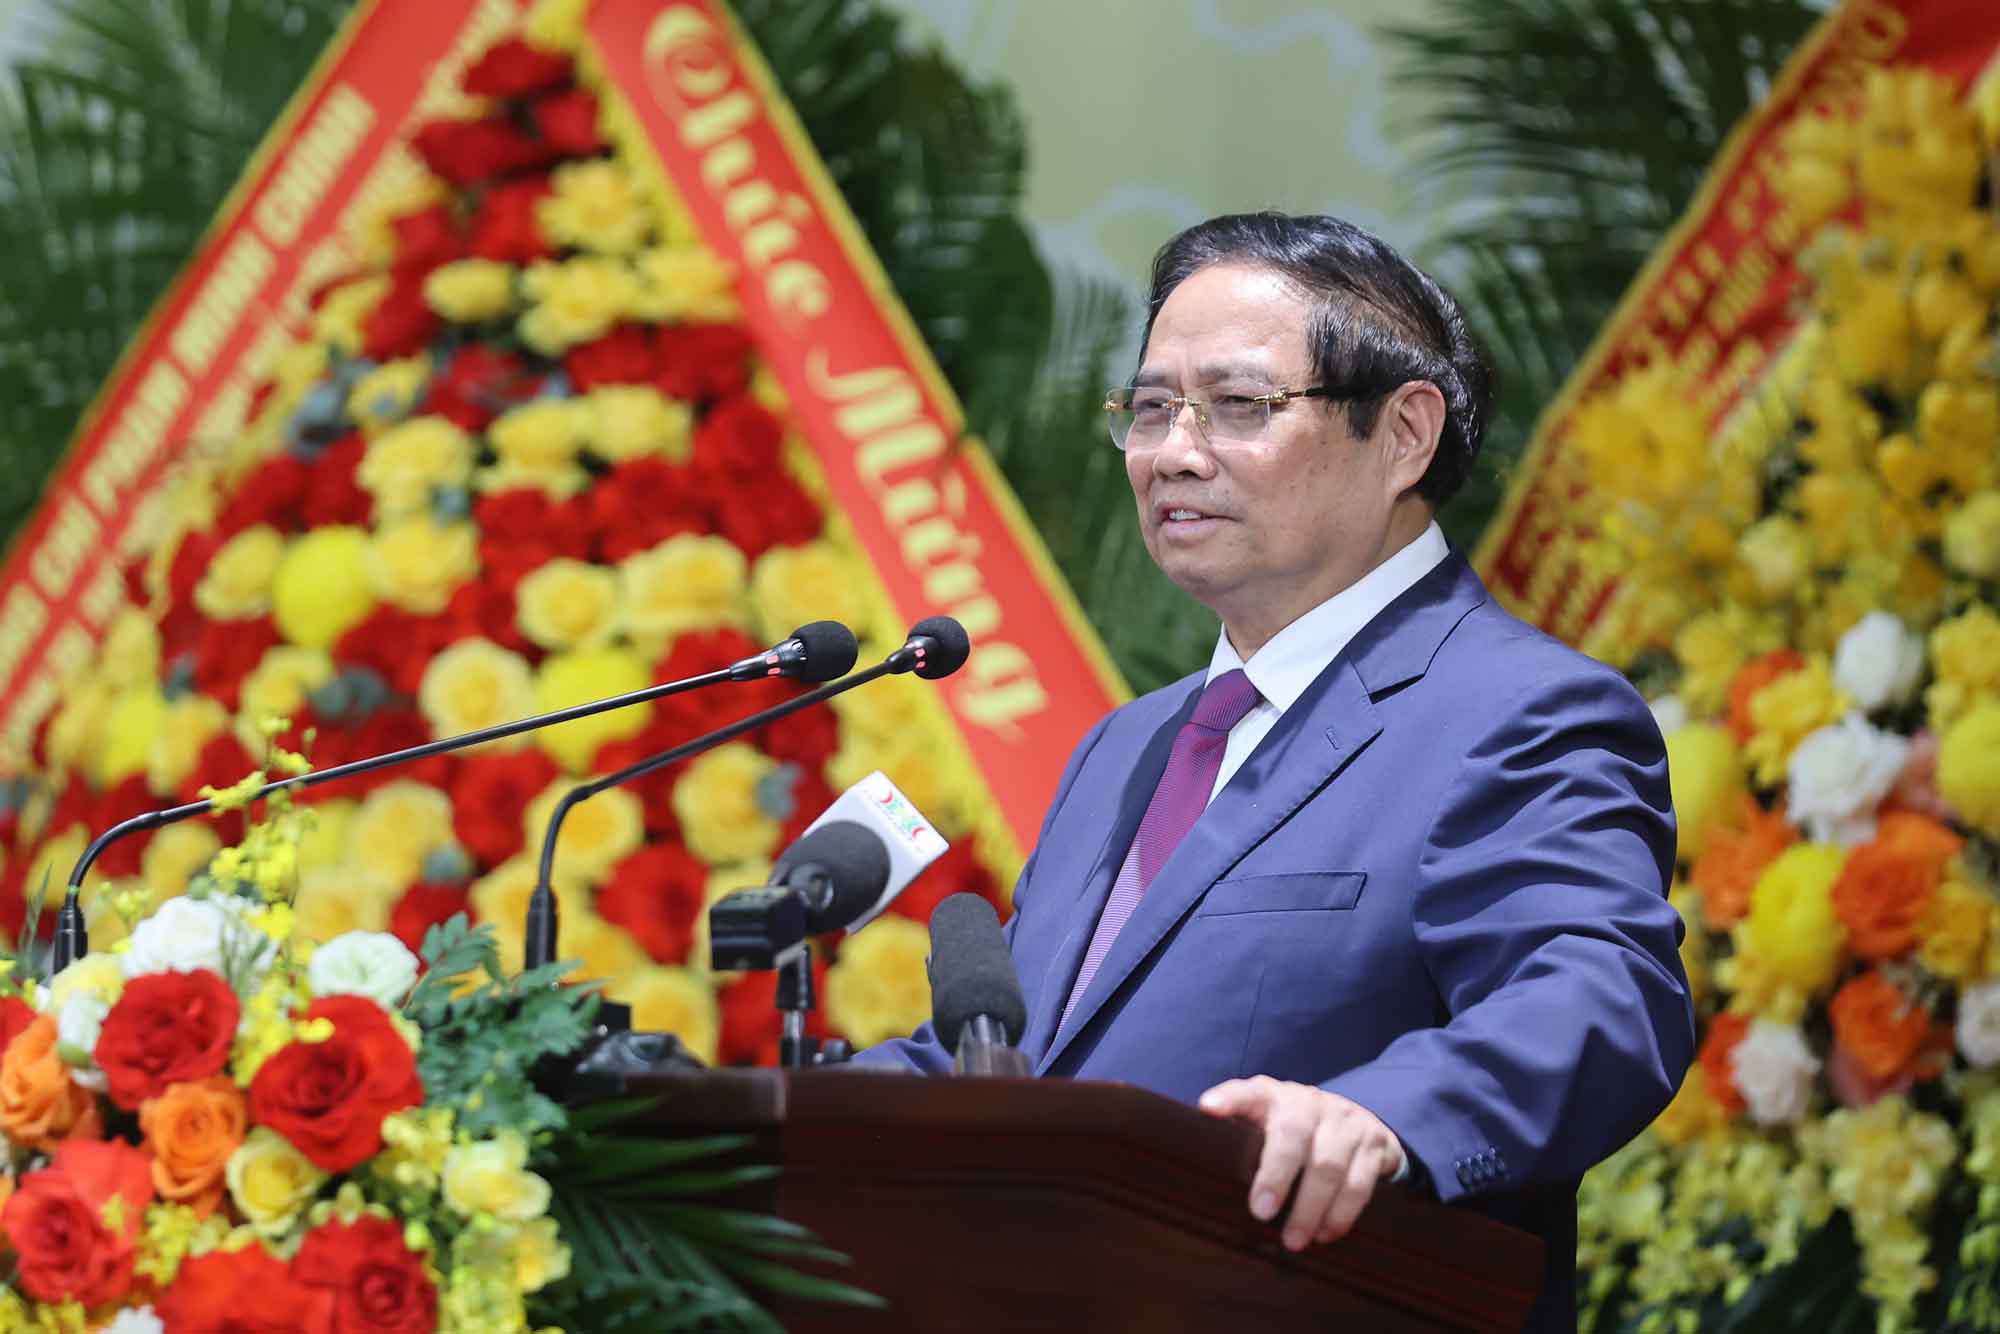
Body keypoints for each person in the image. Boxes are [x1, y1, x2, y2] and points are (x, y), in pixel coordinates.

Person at [856, 211, 1694, 1330]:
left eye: (1237, 405)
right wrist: (721, 1125)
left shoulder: (1517, 710)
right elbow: (1012, 1062)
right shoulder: (1125, 746)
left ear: (1403, 433)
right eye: (1150, 408)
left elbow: (1599, 995)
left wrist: (1382, 1119)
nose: (1171, 451)